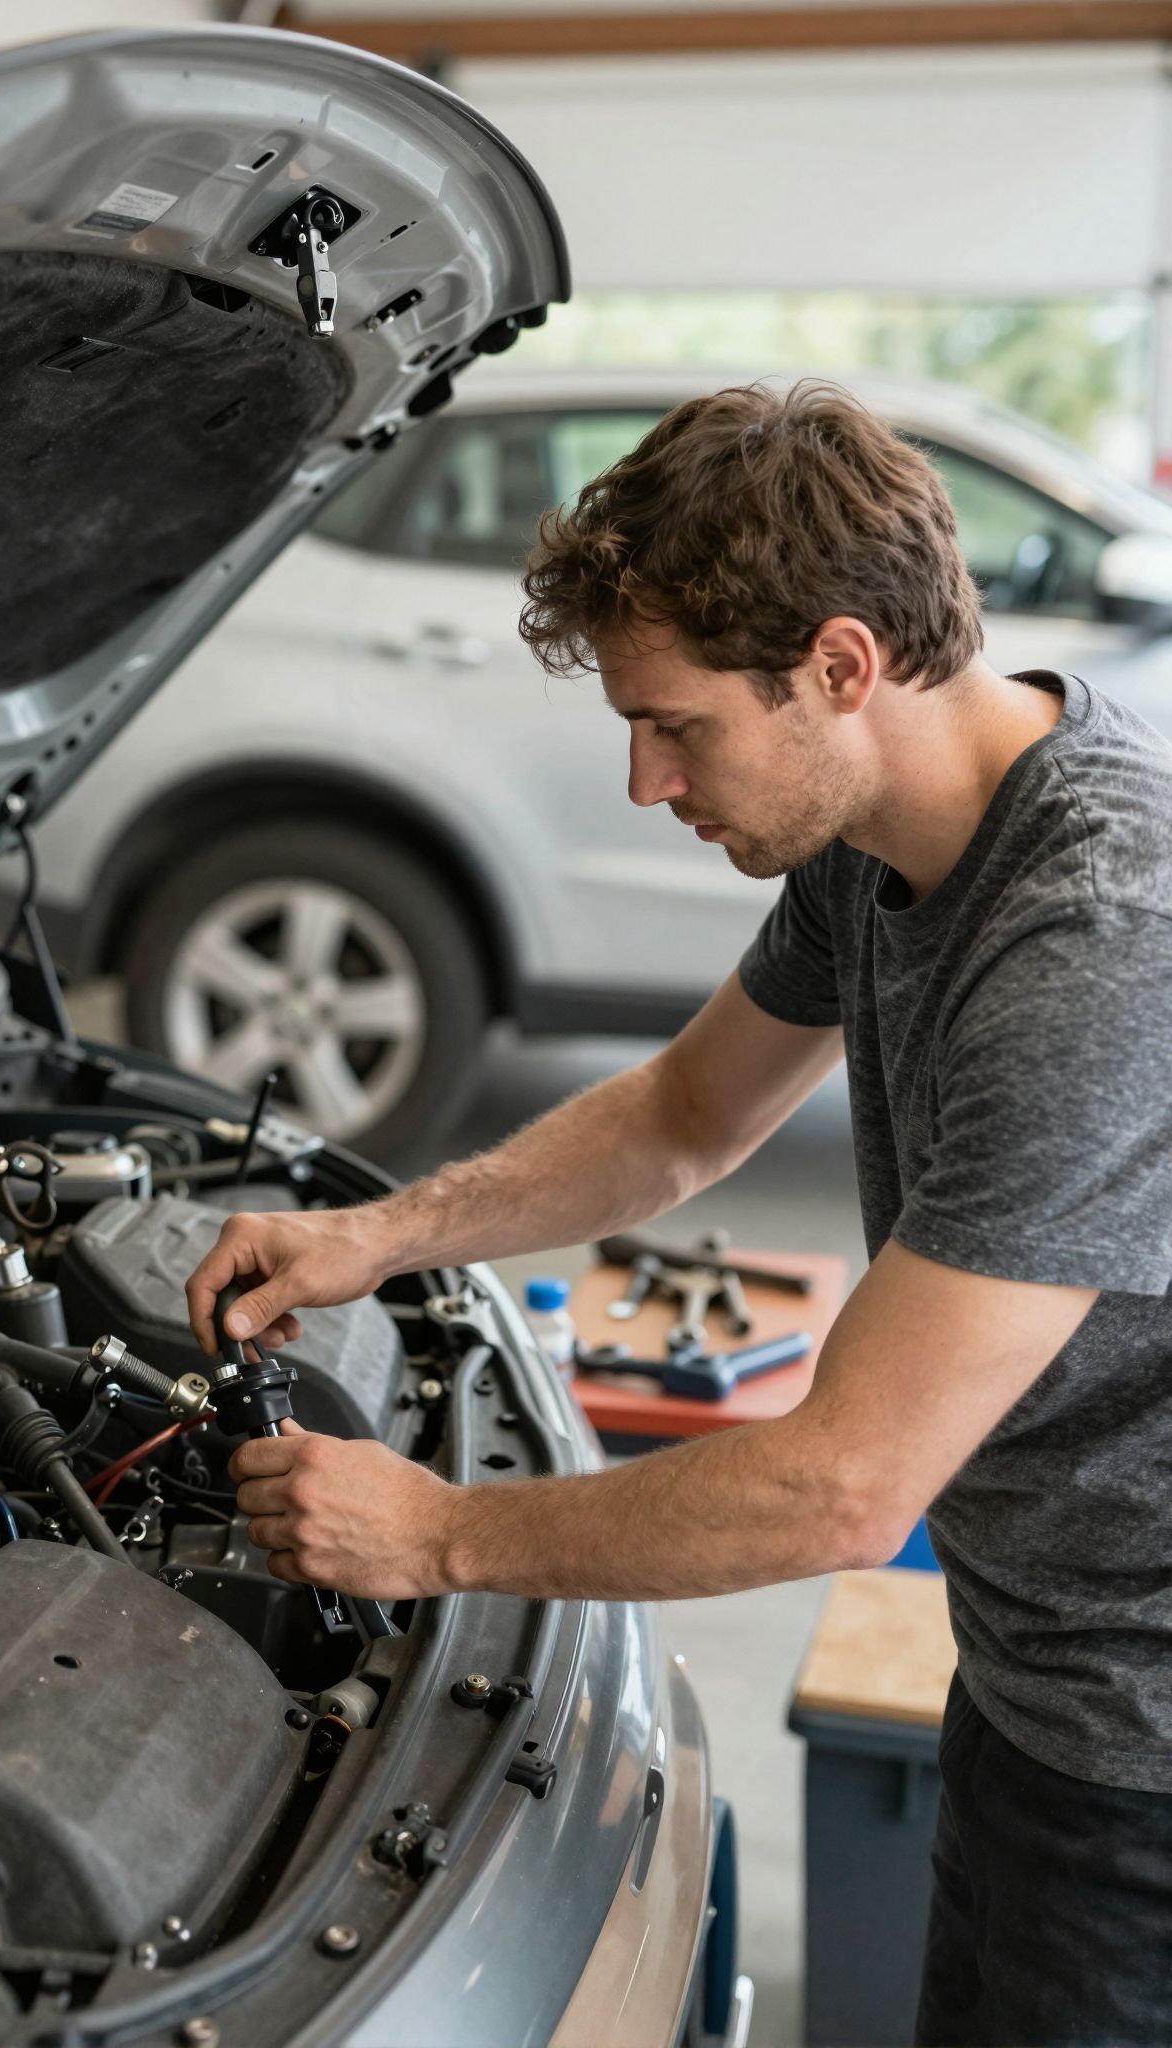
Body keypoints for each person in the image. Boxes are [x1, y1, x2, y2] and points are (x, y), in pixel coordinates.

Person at [184, 381, 1172, 2047]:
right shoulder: (880, 830)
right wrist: (378, 1234)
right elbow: (684, 1115)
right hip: (1034, 1676)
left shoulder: (1096, 942)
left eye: (679, 726)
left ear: (843, 667)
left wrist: (435, 1536)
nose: (647, 781)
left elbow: (846, 1486)